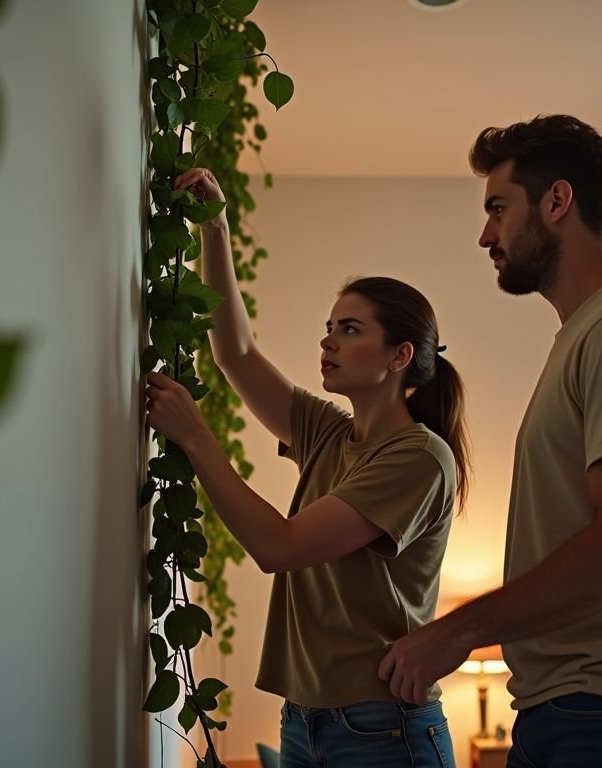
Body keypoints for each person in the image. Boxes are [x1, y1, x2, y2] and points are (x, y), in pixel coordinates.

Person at [377, 115, 602, 767]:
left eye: (499, 209)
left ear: (558, 201)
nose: (486, 235)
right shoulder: (592, 332)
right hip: (585, 708)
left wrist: (458, 631)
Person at [144, 167, 471, 768]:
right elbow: (235, 353)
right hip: (305, 721)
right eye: (328, 329)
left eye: (349, 330)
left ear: (401, 356)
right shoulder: (329, 431)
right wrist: (215, 228)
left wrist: (196, 438)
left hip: (383, 732)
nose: (329, 343)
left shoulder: (419, 458)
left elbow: (281, 545)